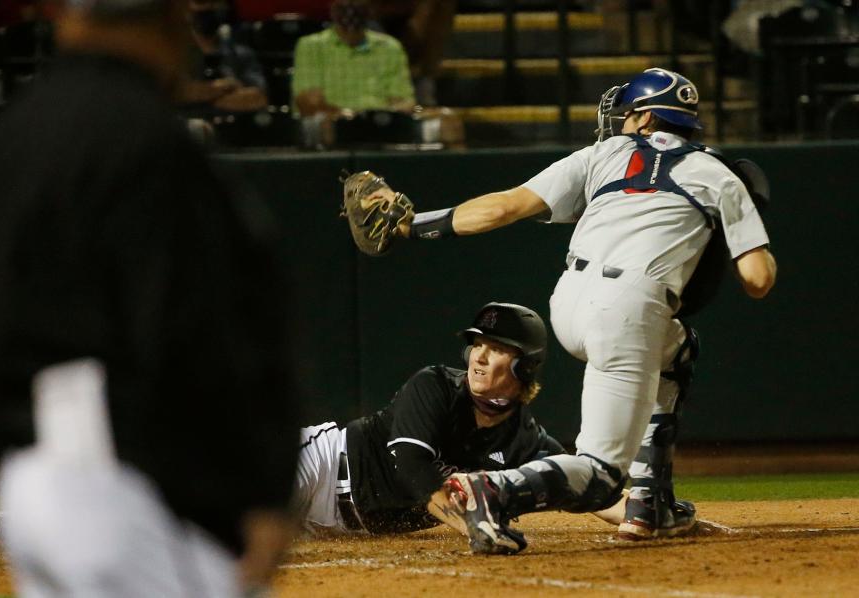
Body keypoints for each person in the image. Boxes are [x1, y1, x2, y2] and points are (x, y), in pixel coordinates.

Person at [0, 0, 298, 595]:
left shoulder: (14, 132)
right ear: (167, 25)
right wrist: (254, 489)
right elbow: (195, 329)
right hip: (121, 484)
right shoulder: (148, 139)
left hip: (28, 475)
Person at [374, 67, 777, 553]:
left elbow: (501, 208)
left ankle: (651, 504)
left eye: (629, 113)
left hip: (569, 300)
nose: (623, 121)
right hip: (631, 309)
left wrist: (411, 226)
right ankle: (493, 488)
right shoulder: (718, 174)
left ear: (646, 117)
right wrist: (745, 220)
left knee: (676, 351)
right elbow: (757, 280)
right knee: (603, 476)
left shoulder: (601, 154)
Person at [293, 301, 627, 536]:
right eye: (477, 345)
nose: (478, 356)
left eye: (495, 348)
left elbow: (587, 487)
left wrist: (643, 512)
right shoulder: (435, 386)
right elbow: (412, 466)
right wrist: (474, 526)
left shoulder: (524, 439)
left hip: (343, 525)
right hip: (318, 467)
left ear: (524, 365)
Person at [291, 0, 415, 116]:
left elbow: (405, 102)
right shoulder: (311, 45)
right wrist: (349, 119)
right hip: (330, 127)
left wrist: (377, 119)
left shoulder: (390, 47)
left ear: (370, 8)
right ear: (332, 8)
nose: (351, 7)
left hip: (380, 127)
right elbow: (308, 103)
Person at [185, 0, 269, 111]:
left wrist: (205, 98)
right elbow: (172, 96)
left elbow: (260, 97)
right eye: (202, 2)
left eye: (217, 2)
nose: (211, 7)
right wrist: (221, 89)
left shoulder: (241, 54)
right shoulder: (174, 56)